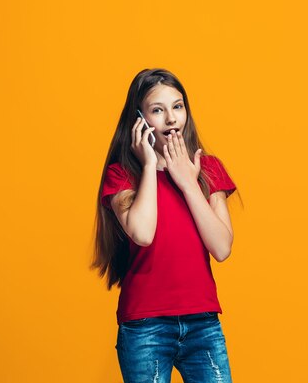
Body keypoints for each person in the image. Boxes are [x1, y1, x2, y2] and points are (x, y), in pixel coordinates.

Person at [91, 68, 241, 383]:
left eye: (177, 106)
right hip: (146, 327)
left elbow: (222, 247)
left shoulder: (208, 169)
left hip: (203, 324)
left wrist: (187, 183)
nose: (171, 118)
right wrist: (148, 165)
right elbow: (143, 233)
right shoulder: (122, 176)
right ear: (140, 119)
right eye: (158, 110)